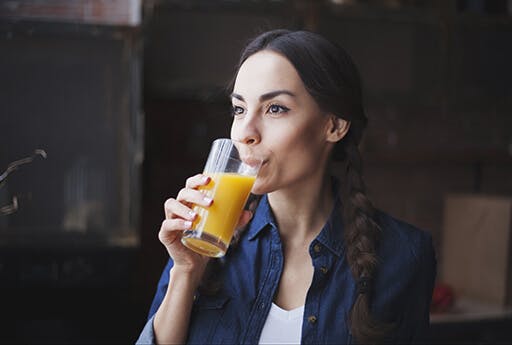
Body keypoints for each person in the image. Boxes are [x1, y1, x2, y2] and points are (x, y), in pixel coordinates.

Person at [137, 29, 436, 345]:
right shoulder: (206, 232)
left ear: (333, 126)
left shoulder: (404, 255)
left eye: (275, 108)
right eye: (239, 109)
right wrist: (185, 271)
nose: (246, 133)